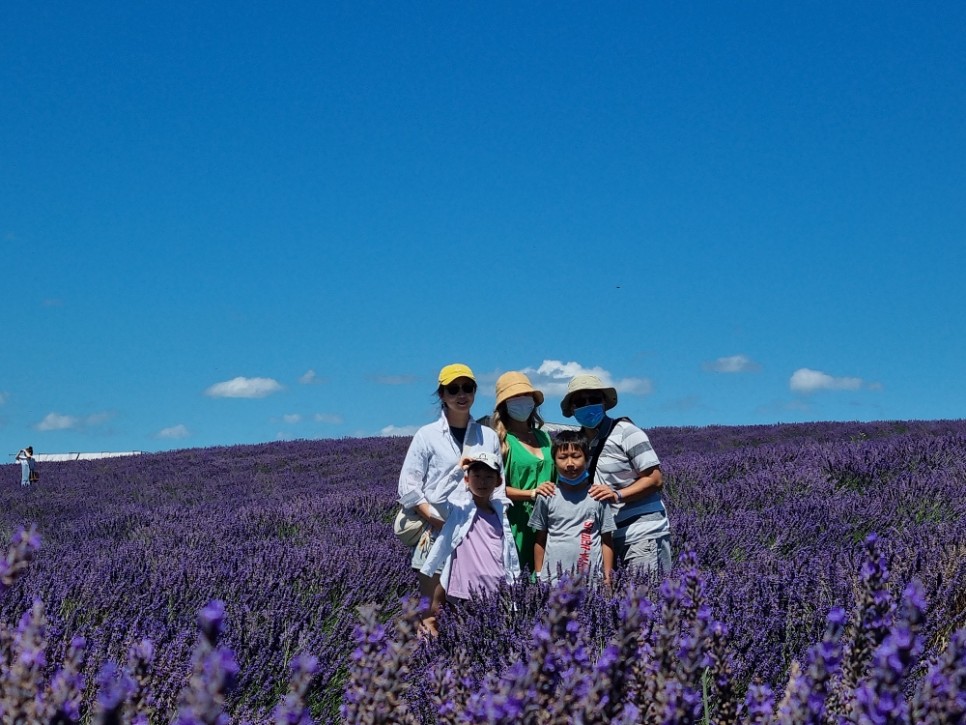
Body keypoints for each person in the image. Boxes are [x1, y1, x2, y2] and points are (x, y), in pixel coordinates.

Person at [397, 363, 503, 635]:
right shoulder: (427, 435)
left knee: (470, 609)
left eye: (467, 388)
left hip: (475, 532)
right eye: (453, 389)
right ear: (442, 394)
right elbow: (408, 485)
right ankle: (429, 670)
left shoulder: (487, 436)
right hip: (435, 529)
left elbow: (498, 485)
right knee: (431, 612)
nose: (461, 394)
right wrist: (430, 516)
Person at [560, 374, 671, 576]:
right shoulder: (579, 445)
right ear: (572, 409)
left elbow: (655, 479)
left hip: (641, 533)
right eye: (580, 402)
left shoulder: (627, 432)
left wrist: (617, 495)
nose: (587, 405)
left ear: (604, 402)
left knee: (643, 603)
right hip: (605, 538)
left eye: (593, 399)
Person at [419, 451, 520, 625]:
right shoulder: (458, 510)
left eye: (489, 477)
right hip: (464, 589)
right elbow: (436, 499)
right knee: (463, 637)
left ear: (498, 482)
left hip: (496, 587)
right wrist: (458, 469)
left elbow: (507, 553)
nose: (482, 481)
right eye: (476, 476)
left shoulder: (500, 513)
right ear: (467, 480)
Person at [528, 430, 616, 586]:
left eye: (576, 456)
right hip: (554, 582)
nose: (570, 463)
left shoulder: (598, 496)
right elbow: (540, 539)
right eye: (562, 458)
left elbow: (606, 540)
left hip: (590, 582)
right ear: (554, 462)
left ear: (587, 459)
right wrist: (540, 575)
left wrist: (607, 577)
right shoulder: (547, 495)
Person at [490, 371, 556, 573]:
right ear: (504, 405)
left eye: (525, 397)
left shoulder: (545, 438)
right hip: (517, 523)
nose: (521, 402)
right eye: (514, 398)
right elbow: (492, 489)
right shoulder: (500, 441)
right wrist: (532, 493)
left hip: (550, 523)